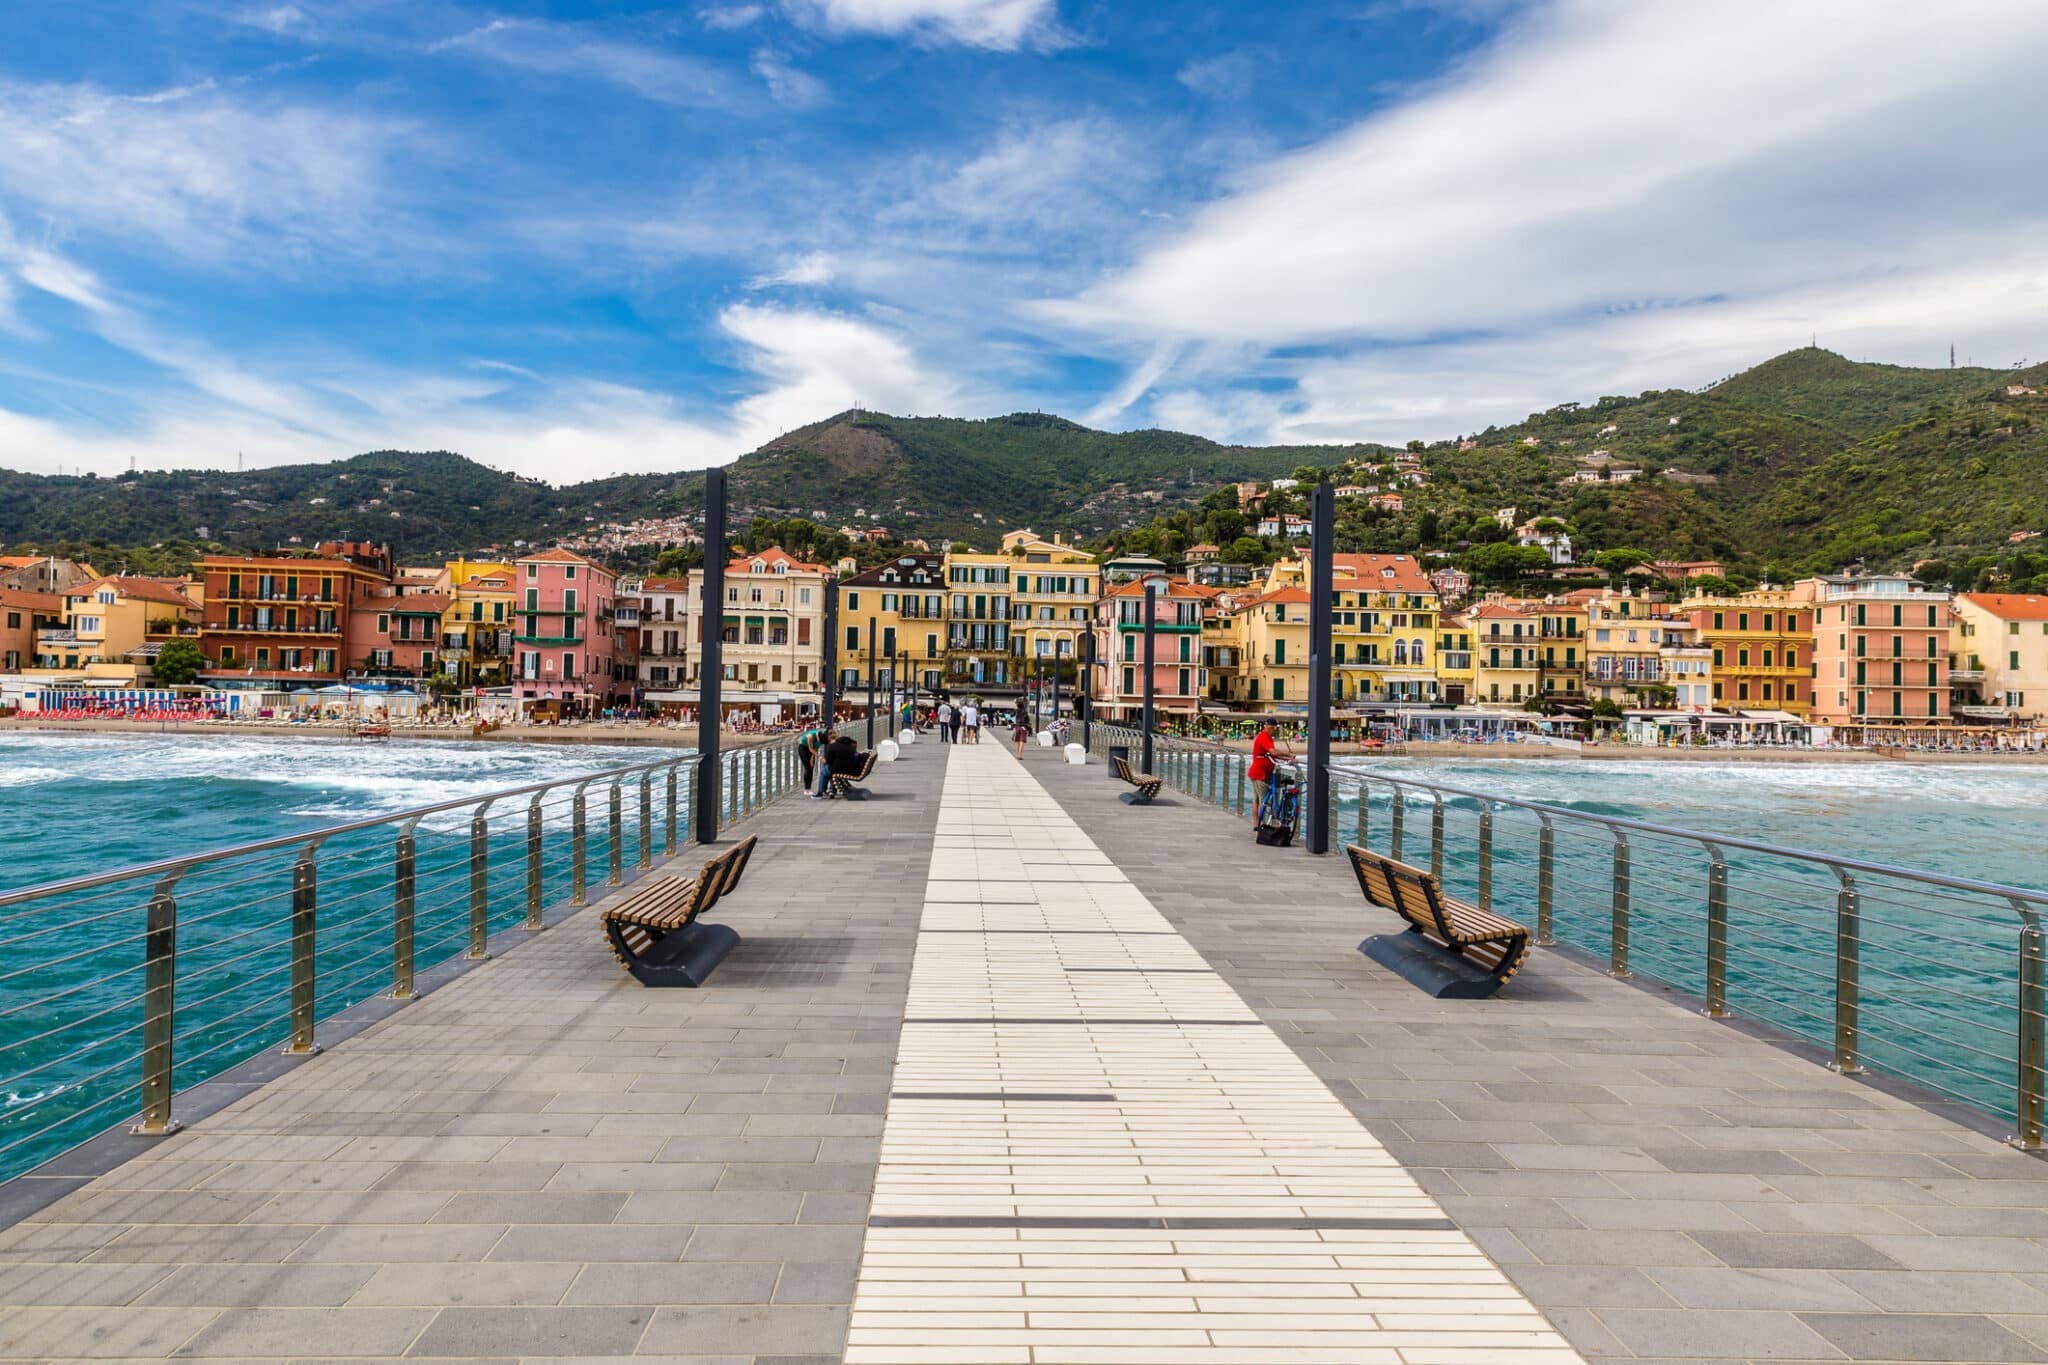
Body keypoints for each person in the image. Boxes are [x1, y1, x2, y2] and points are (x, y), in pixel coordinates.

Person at [1247, 718, 1295, 828]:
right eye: (1274, 729)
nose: (1275, 731)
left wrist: (1282, 757)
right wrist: (1288, 754)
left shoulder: (1263, 736)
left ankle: (1257, 825)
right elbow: (1272, 751)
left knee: (1257, 800)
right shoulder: (1265, 737)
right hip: (1261, 773)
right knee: (1263, 801)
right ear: (1270, 727)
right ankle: (1262, 825)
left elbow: (1270, 754)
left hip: (1256, 772)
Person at [805, 725, 835, 798]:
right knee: (829, 769)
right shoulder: (841, 744)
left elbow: (829, 759)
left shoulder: (832, 747)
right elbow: (812, 748)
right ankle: (832, 790)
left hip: (836, 768)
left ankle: (820, 793)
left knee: (825, 771)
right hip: (845, 767)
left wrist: (822, 759)